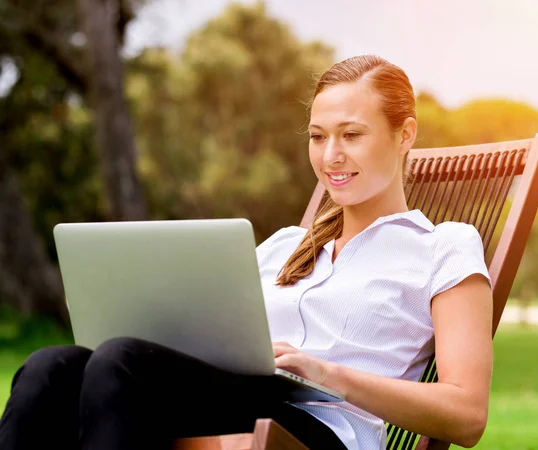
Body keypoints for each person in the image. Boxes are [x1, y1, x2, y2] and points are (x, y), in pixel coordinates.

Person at [0, 55, 493, 450]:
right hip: (236, 396)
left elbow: (466, 415)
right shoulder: (285, 245)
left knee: (120, 363)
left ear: (404, 135)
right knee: (51, 368)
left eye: (352, 135)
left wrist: (327, 373)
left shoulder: (443, 248)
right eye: (318, 138)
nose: (330, 156)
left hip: (318, 429)